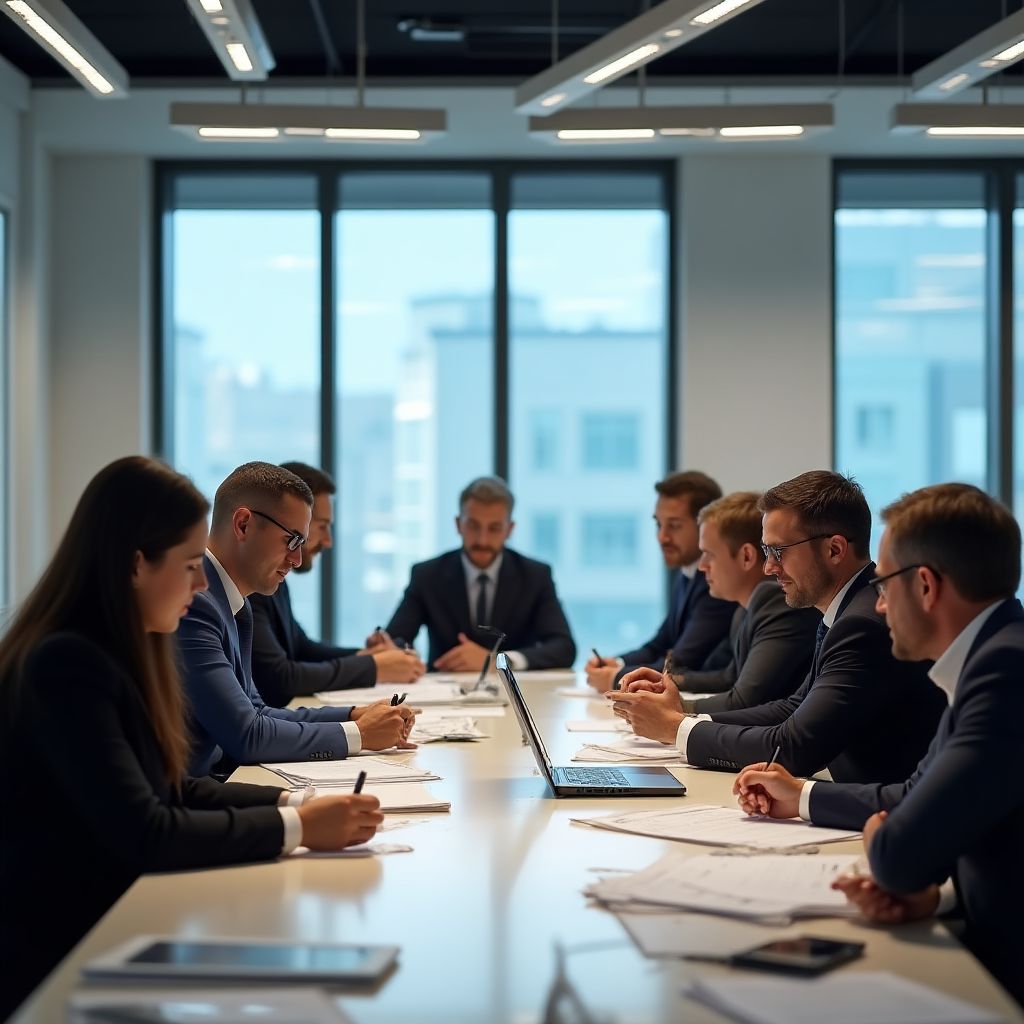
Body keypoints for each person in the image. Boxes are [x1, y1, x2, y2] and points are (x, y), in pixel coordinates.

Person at [0, 457, 384, 1020]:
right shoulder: (68, 664)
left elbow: (173, 785)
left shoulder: (120, 649)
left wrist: (294, 803)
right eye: (188, 565)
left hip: (120, 922)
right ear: (137, 565)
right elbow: (148, 832)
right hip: (63, 954)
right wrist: (299, 828)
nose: (203, 583)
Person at [732, 483, 1024, 1007]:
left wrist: (884, 843)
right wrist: (937, 897)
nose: (880, 604)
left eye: (885, 584)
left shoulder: (1004, 673)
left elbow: (897, 854)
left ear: (926, 586)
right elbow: (914, 796)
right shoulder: (990, 658)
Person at [608, 471, 945, 783]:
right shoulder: (846, 608)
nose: (768, 567)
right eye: (767, 550)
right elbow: (792, 707)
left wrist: (677, 728)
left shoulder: (861, 623)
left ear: (834, 549)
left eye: (778, 551)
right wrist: (681, 714)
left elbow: (795, 747)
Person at [179, 462, 415, 778]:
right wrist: (359, 734)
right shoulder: (196, 604)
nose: (297, 559)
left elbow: (257, 712)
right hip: (191, 797)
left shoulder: (235, 603)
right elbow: (247, 735)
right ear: (243, 524)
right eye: (292, 541)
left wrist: (354, 716)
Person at [622, 491, 821, 713]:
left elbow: (744, 701)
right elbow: (728, 678)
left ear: (746, 556)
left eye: (709, 554)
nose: (702, 566)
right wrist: (663, 683)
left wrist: (674, 708)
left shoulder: (776, 601)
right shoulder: (743, 610)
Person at [250, 462, 424, 708]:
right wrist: (373, 666)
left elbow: (300, 647)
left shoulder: (273, 579)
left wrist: (370, 657)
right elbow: (280, 677)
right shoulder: (252, 586)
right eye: (322, 526)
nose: (328, 541)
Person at [384, 476, 576, 671]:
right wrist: (391, 650)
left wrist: (498, 661)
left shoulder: (535, 576)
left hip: (512, 687)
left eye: (494, 528)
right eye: (473, 526)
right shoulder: (427, 575)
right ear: (458, 524)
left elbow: (564, 648)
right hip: (444, 685)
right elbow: (397, 640)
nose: (482, 540)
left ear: (509, 529)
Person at [584, 470, 736, 693]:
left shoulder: (718, 582)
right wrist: (616, 663)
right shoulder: (686, 573)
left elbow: (681, 662)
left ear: (704, 527)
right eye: (658, 524)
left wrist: (615, 677)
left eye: (674, 525)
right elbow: (660, 644)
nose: (662, 537)